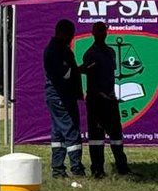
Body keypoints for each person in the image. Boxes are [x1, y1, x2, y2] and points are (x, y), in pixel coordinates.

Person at [80, 21, 130, 178]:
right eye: (99, 31)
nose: (102, 33)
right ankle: (97, 170)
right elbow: (89, 75)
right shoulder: (90, 54)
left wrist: (110, 94)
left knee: (116, 135)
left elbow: (110, 75)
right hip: (96, 101)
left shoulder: (110, 52)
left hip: (111, 99)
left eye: (104, 30)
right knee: (96, 137)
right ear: (93, 33)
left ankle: (122, 167)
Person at [43, 19, 85, 179]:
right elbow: (63, 73)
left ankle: (58, 169)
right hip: (60, 96)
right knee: (71, 129)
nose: (72, 37)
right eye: (71, 33)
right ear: (63, 32)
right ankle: (77, 169)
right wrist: (77, 70)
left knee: (58, 133)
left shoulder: (58, 49)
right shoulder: (55, 50)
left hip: (60, 95)